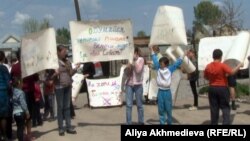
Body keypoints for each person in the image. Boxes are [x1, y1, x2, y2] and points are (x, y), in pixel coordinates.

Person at [204, 49, 242, 125]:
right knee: (225, 108)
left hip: (212, 88)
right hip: (222, 88)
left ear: (213, 56)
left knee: (214, 109)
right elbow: (231, 72)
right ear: (221, 57)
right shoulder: (222, 66)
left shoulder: (208, 66)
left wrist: (212, 78)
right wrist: (239, 65)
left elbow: (205, 77)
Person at [150, 47, 183, 125]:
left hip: (167, 92)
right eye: (160, 63)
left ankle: (169, 123)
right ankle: (162, 123)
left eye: (162, 63)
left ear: (166, 64)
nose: (160, 64)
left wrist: (182, 56)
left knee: (168, 109)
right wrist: (151, 50)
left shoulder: (170, 69)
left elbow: (177, 63)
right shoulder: (158, 68)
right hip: (160, 91)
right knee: (161, 109)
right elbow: (155, 60)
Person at [52, 45, 79, 136]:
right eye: (64, 51)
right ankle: (61, 128)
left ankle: (69, 127)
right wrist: (55, 74)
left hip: (68, 86)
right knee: (60, 108)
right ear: (58, 52)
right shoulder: (53, 63)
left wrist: (76, 68)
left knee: (67, 107)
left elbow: (70, 73)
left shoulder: (67, 61)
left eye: (66, 51)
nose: (66, 53)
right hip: (59, 87)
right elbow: (49, 78)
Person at [125, 47, 145, 125]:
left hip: (138, 84)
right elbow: (126, 73)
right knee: (128, 105)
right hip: (129, 84)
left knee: (139, 104)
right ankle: (128, 122)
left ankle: (141, 121)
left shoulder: (141, 60)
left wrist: (135, 61)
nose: (132, 54)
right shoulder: (129, 60)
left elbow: (138, 71)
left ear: (136, 52)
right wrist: (129, 66)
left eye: (133, 52)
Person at [0, 51, 11, 141]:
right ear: (3, 58)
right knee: (3, 116)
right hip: (3, 93)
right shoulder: (3, 68)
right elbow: (8, 83)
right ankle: (4, 136)